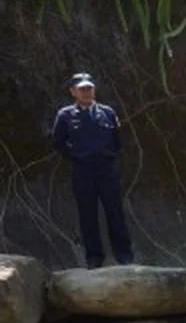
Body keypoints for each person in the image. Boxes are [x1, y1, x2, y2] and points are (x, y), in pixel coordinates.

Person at [51, 72, 135, 269]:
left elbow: (118, 140)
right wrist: (77, 157)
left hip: (107, 169)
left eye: (89, 88)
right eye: (82, 89)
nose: (87, 92)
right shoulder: (65, 115)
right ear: (73, 92)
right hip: (83, 171)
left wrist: (109, 156)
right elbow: (58, 142)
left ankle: (124, 256)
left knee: (115, 212)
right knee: (87, 214)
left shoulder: (107, 112)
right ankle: (94, 258)